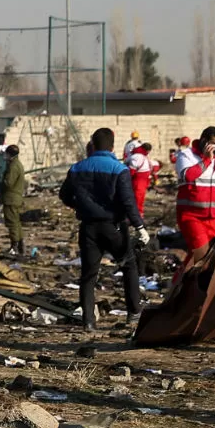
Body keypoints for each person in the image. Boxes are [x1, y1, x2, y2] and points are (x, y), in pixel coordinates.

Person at [59, 128, 147, 330]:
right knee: (128, 266)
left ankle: (88, 320)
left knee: (89, 274)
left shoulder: (77, 168)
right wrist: (139, 226)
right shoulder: (119, 169)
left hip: (88, 227)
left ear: (93, 144)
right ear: (113, 145)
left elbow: (64, 195)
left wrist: (79, 205)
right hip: (114, 227)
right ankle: (133, 313)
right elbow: (127, 202)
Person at [175, 126, 215, 257]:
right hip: (191, 216)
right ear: (204, 142)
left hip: (213, 219)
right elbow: (188, 175)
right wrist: (206, 160)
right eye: (214, 144)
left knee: (212, 257)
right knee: (200, 253)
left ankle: (186, 277)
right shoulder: (186, 156)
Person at [0, 145, 27, 256]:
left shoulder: (14, 166)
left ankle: (14, 247)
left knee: (12, 223)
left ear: (10, 154)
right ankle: (20, 246)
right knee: (16, 222)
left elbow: (8, 182)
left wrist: (0, 183)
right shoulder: (17, 164)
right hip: (15, 198)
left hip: (11, 198)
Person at [125, 141, 155, 222]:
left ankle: (137, 216)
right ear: (147, 150)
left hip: (141, 181)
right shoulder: (137, 156)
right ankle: (135, 217)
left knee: (139, 199)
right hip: (138, 181)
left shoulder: (140, 155)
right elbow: (131, 171)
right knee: (137, 199)